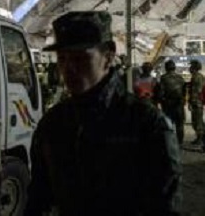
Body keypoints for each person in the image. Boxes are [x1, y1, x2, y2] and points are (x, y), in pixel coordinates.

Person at [25, 11, 181, 216]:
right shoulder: (53, 123)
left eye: (80, 58)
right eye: (62, 59)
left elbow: (163, 206)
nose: (69, 68)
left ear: (108, 56)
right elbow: (39, 198)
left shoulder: (146, 123)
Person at [156, 59, 187, 146]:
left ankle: (170, 142)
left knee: (168, 124)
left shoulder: (163, 78)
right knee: (180, 124)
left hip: (168, 104)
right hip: (179, 104)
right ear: (174, 68)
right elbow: (184, 91)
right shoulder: (180, 78)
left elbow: (161, 91)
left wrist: (160, 100)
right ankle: (180, 142)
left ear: (166, 68)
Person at [187, 60, 205, 145]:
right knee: (197, 120)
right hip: (198, 102)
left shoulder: (196, 77)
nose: (189, 68)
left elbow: (196, 91)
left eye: (191, 66)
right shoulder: (198, 76)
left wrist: (191, 102)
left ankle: (201, 138)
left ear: (194, 68)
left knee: (197, 121)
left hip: (197, 102)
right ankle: (201, 137)